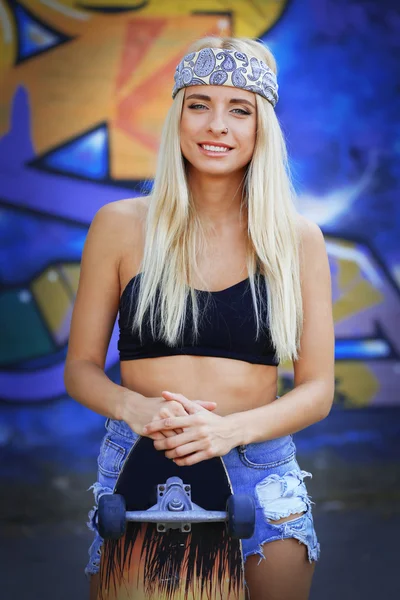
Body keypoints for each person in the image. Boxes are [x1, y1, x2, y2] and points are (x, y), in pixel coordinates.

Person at [64, 35, 334, 600]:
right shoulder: (119, 225)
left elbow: (317, 389)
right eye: (199, 105)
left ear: (262, 127)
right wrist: (134, 408)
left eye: (240, 110)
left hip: (259, 465)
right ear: (177, 117)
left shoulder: (295, 239)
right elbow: (82, 369)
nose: (218, 125)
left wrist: (227, 431)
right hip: (144, 457)